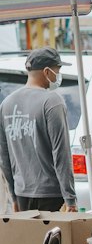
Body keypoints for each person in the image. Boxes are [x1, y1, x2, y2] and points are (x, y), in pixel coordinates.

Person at [0, 49, 77, 213]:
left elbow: (4, 157)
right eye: (58, 70)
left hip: (22, 194)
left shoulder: (6, 104)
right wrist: (70, 199)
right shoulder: (52, 101)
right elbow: (61, 154)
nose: (58, 75)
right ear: (47, 71)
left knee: (29, 239)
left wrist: (14, 197)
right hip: (51, 196)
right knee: (53, 239)